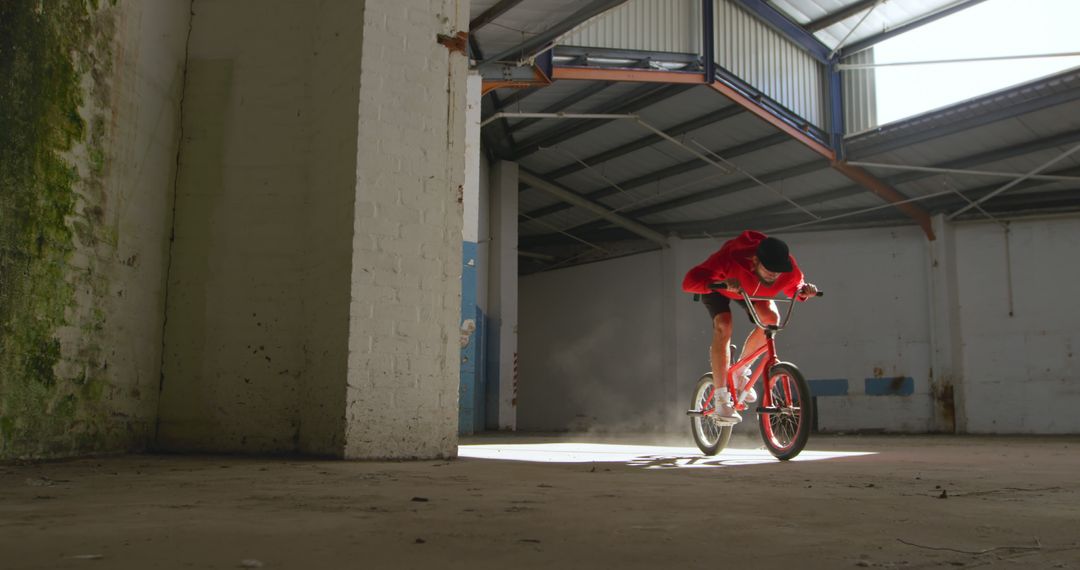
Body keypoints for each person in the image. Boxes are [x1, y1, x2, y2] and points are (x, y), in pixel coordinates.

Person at [682, 230, 818, 423]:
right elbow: (688, 282)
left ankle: (739, 372)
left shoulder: (787, 270)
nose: (774, 275)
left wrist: (803, 291)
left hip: (750, 292)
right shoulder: (729, 258)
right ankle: (721, 400)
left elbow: (794, 286)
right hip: (723, 287)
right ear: (754, 262)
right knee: (724, 326)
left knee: (771, 319)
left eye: (777, 271)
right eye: (768, 270)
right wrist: (718, 283)